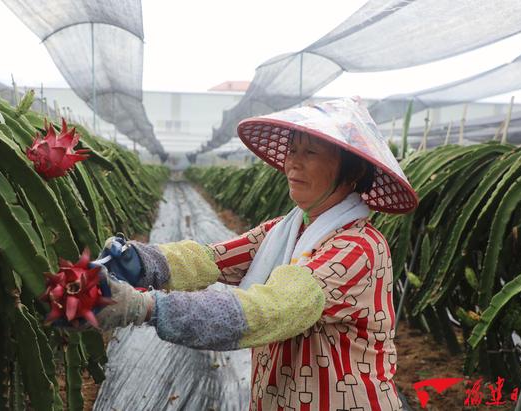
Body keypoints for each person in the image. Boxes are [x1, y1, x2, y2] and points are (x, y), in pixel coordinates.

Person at [91, 97, 418, 411]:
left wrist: (144, 307)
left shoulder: (358, 250)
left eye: (311, 152)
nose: (293, 162)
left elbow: (271, 309)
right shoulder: (285, 232)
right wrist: (142, 261)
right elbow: (212, 258)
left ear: (353, 172)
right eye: (292, 150)